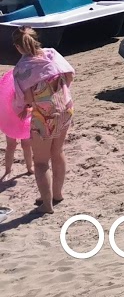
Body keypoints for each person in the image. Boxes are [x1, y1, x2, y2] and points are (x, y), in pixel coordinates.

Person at [9, 28, 73, 214]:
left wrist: (24, 109)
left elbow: (27, 98)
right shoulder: (52, 54)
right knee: (58, 152)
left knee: (41, 162)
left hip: (44, 117)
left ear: (17, 47)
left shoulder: (21, 69)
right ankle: (57, 194)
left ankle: (47, 205)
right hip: (65, 108)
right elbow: (69, 76)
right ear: (36, 40)